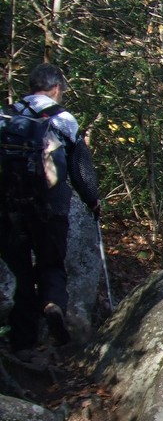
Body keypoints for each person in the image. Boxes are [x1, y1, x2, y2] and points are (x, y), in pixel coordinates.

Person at [0, 63, 101, 354]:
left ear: (31, 86)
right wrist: (93, 201)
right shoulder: (63, 120)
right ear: (56, 89)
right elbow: (80, 170)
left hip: (8, 208)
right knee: (51, 265)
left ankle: (22, 343)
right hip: (50, 208)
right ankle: (52, 303)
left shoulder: (6, 115)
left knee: (21, 274)